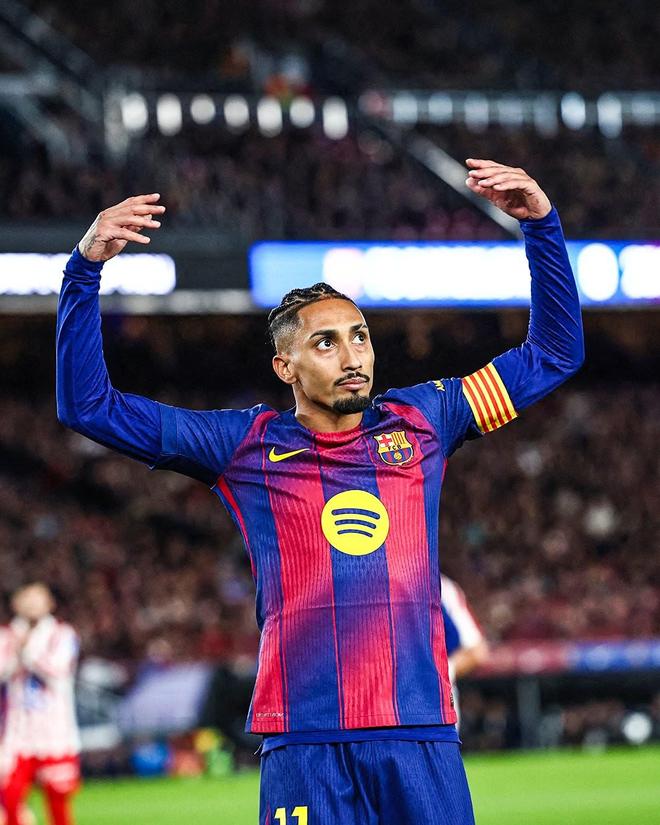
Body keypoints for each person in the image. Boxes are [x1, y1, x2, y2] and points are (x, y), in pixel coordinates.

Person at [56, 159, 583, 824]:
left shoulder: (426, 419)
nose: (352, 355)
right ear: (286, 366)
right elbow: (88, 406)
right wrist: (83, 271)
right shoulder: (243, 445)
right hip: (303, 740)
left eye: (360, 336)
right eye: (326, 343)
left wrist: (541, 226)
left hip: (418, 731)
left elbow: (555, 354)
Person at [0, 585, 80, 825]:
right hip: (17, 734)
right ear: (16, 604)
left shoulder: (62, 634)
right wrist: (15, 654)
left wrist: (28, 651)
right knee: (10, 796)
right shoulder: (7, 635)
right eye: (26, 599)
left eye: (37, 599)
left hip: (56, 733)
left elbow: (58, 670)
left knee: (58, 801)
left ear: (49, 603)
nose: (32, 604)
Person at [441, 574, 489, 724]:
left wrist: (440, 672)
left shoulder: (440, 586)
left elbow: (477, 650)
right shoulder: (376, 583)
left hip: (433, 701)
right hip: (380, 702)